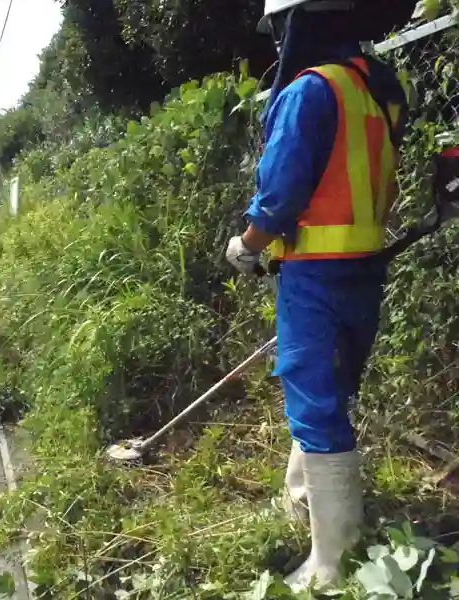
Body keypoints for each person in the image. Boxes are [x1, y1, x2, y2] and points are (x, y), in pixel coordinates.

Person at [225, 0, 409, 591]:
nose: (279, 44)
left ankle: (334, 562)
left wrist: (246, 245)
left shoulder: (310, 90)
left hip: (316, 273)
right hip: (366, 267)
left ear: (299, 22)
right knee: (333, 387)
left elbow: (280, 193)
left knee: (313, 393)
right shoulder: (379, 88)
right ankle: (302, 498)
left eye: (280, 30)